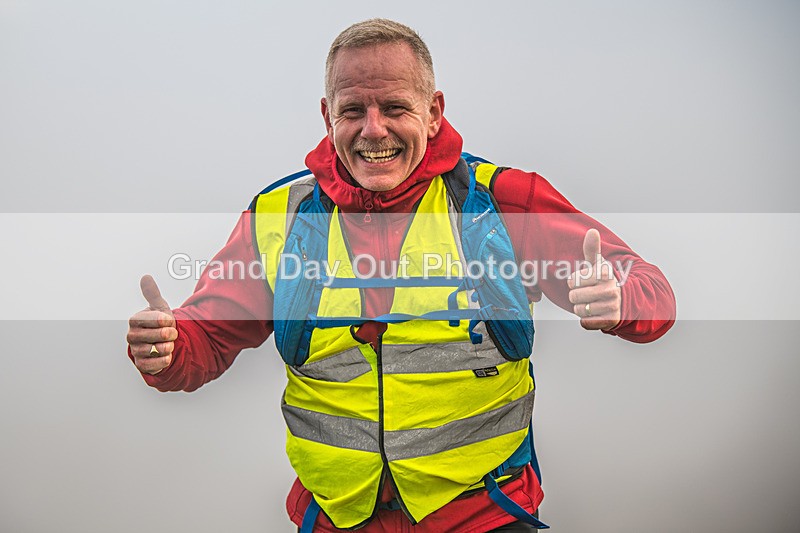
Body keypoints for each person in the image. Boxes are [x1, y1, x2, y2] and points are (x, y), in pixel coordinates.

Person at [126, 18, 675, 532]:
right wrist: (168, 347)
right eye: (352, 111)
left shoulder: (502, 201)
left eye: (394, 106)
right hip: (335, 518)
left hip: (484, 515)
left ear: (434, 111)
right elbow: (205, 339)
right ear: (326, 116)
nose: (373, 130)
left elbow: (653, 293)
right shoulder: (278, 215)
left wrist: (620, 298)